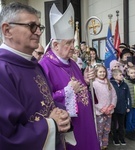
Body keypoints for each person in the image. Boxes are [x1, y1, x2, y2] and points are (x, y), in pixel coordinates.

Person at [0, 2, 72, 150]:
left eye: (40, 27)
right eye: (32, 26)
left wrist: (61, 112)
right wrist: (52, 124)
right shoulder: (3, 70)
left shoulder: (34, 65)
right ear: (7, 30)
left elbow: (45, 100)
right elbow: (6, 136)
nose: (39, 32)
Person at [40, 3, 100, 150]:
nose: (73, 46)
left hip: (86, 122)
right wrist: (67, 91)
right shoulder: (44, 66)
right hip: (70, 129)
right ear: (55, 45)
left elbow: (81, 89)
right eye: (69, 43)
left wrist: (85, 80)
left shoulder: (72, 63)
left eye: (73, 42)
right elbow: (43, 103)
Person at [93, 65, 117, 150]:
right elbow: (93, 99)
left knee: (107, 129)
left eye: (103, 72)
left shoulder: (109, 83)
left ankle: (105, 144)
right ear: (96, 73)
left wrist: (111, 106)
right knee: (100, 130)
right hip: (99, 112)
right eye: (100, 72)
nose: (102, 73)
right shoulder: (94, 84)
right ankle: (98, 145)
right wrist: (101, 108)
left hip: (109, 111)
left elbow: (114, 95)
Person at [110, 69, 131, 146]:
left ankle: (121, 138)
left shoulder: (125, 85)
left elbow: (128, 96)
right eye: (120, 75)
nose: (122, 76)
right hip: (114, 108)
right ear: (115, 76)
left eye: (122, 75)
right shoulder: (111, 84)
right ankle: (115, 138)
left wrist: (128, 106)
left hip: (122, 108)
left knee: (121, 125)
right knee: (115, 124)